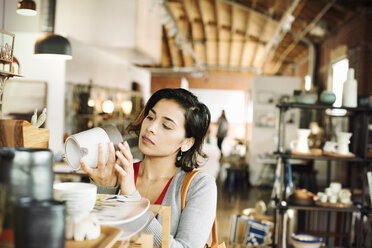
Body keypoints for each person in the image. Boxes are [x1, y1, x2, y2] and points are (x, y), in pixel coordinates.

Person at [80, 88, 217, 247]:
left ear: (187, 142)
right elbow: (91, 237)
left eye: (166, 125)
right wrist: (104, 189)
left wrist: (132, 198)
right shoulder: (118, 172)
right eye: (150, 117)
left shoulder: (199, 186)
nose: (151, 127)